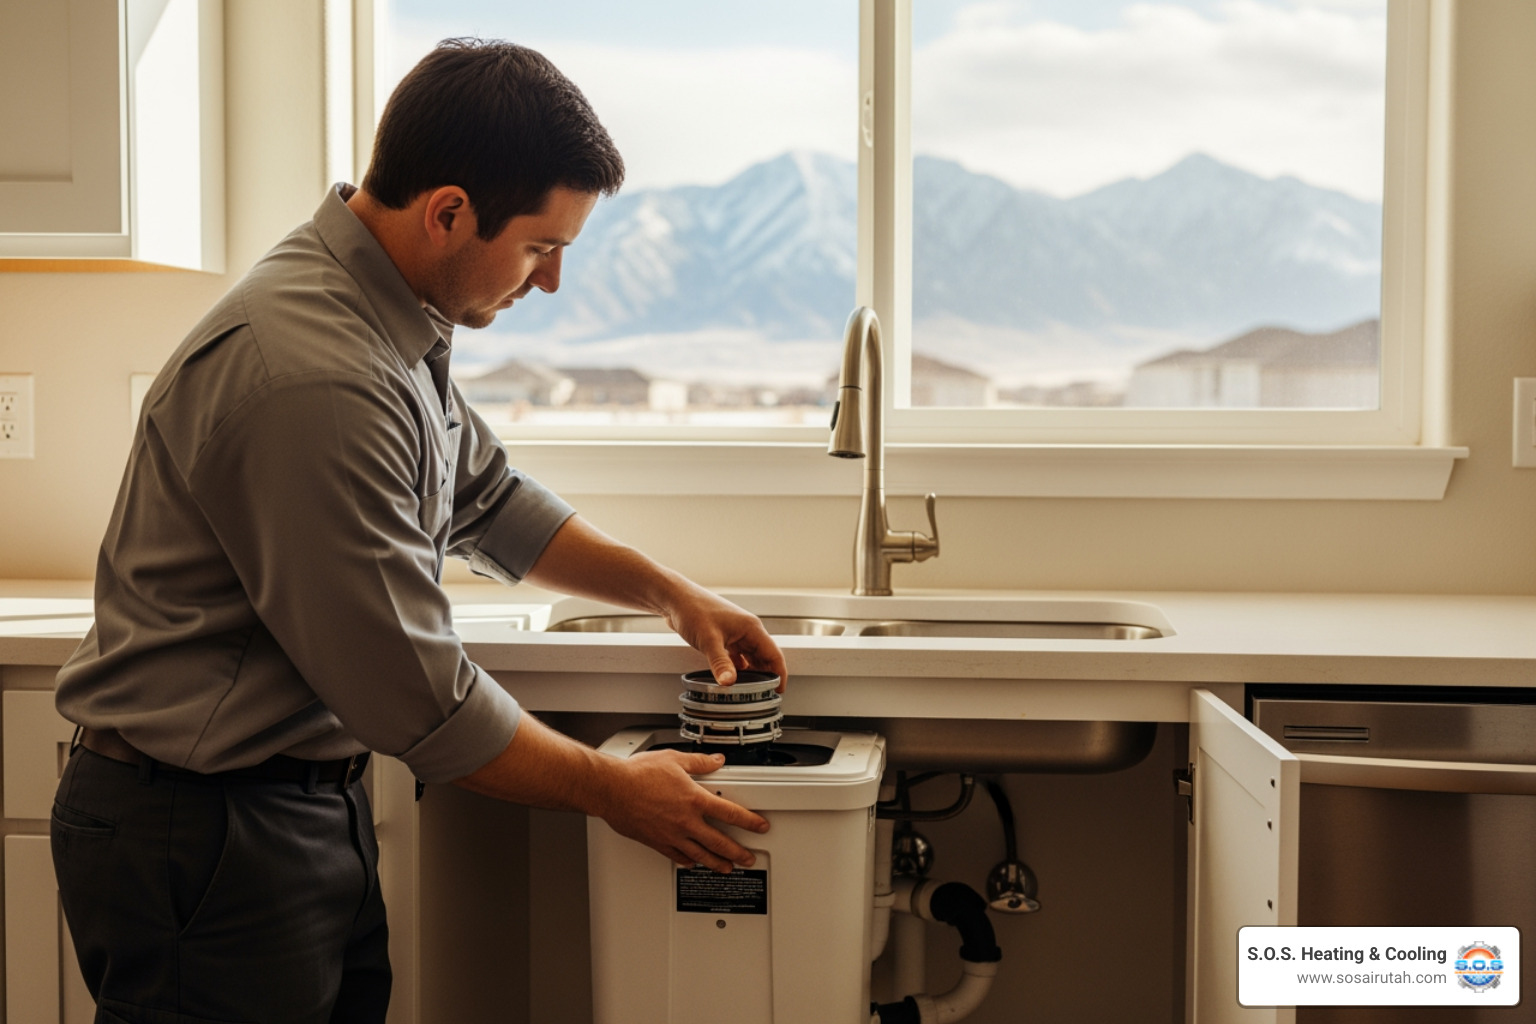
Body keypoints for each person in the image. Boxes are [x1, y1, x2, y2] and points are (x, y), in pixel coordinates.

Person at [50, 38, 786, 1024]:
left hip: (285, 806)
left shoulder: (386, 314)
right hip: (203, 827)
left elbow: (486, 497)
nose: (550, 282)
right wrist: (615, 791)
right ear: (447, 212)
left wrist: (673, 596)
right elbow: (421, 699)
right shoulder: (316, 375)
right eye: (541, 247)